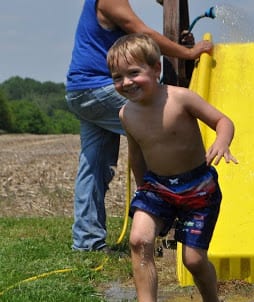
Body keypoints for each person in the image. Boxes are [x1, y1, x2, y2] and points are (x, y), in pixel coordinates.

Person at [65, 0, 213, 252]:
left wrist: (177, 40)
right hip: (101, 87)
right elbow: (142, 32)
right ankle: (169, 217)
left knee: (94, 165)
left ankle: (87, 242)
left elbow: (140, 46)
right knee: (164, 132)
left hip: (82, 91)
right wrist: (187, 53)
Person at [107, 33, 238, 302]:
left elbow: (223, 121)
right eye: (117, 77)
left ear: (156, 69)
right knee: (139, 241)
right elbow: (136, 154)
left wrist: (222, 142)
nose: (126, 82)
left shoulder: (181, 99)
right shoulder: (126, 114)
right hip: (156, 187)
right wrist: (143, 189)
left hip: (198, 189)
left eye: (133, 72)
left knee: (193, 260)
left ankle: (211, 299)